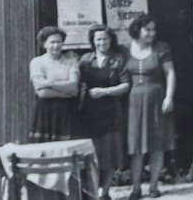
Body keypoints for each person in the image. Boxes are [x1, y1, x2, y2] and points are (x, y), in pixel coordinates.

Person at [125, 14, 176, 200]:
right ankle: (136, 188)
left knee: (157, 145)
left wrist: (169, 97)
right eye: (148, 29)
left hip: (157, 101)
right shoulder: (125, 49)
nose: (151, 33)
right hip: (133, 104)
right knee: (136, 147)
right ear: (137, 30)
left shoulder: (161, 48)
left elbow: (170, 73)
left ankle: (154, 187)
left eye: (154, 30)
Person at [78, 24, 131, 200]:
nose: (102, 42)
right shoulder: (86, 60)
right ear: (93, 41)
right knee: (92, 155)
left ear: (111, 40)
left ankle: (105, 193)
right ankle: (91, 191)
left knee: (109, 156)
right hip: (89, 113)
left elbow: (126, 85)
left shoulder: (118, 59)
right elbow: (77, 82)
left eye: (105, 39)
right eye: (98, 39)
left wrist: (105, 92)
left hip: (111, 111)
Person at [29, 26, 80, 142]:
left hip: (66, 111)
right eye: (52, 42)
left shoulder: (71, 62)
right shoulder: (37, 62)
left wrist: (49, 83)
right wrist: (67, 91)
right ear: (44, 44)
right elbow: (42, 92)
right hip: (44, 112)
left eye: (59, 42)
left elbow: (74, 88)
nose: (56, 46)